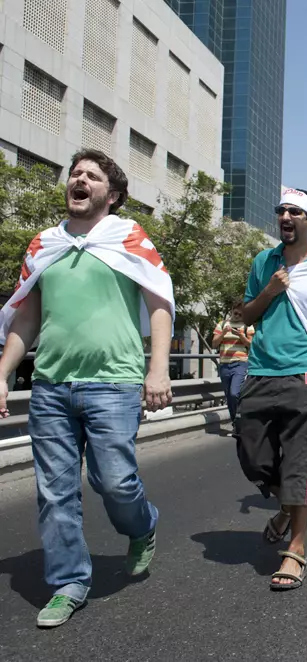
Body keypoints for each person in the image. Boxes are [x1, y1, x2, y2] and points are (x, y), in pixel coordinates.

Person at [0, 149, 172, 628]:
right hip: (52, 386)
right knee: (55, 493)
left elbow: (160, 302)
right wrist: (3, 372)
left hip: (114, 384)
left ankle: (143, 525)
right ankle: (69, 582)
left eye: (92, 176)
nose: (79, 180)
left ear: (111, 196)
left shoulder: (130, 238)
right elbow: (26, 315)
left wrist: (158, 369)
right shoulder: (43, 245)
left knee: (114, 482)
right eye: (75, 174)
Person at [236, 188, 307, 590]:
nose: (285, 216)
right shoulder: (263, 262)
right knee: (252, 456)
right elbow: (244, 315)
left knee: (299, 461)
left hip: (304, 373)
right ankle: (291, 509)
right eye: (281, 211)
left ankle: (296, 549)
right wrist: (270, 290)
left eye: (295, 211)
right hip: (260, 370)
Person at [212, 302, 254, 435]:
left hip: (240, 363)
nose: (238, 316)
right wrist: (223, 333)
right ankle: (236, 424)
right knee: (229, 397)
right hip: (224, 364)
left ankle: (241, 421)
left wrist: (242, 336)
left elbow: (252, 345)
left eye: (241, 315)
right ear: (232, 311)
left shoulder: (248, 326)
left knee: (234, 393)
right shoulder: (222, 324)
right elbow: (214, 344)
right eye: (236, 313)